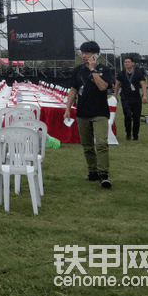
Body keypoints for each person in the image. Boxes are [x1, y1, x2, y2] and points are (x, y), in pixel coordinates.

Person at [64, 41, 115, 188]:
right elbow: (73, 90)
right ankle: (92, 171)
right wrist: (68, 108)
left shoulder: (104, 69)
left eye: (87, 53)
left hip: (99, 112)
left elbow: (103, 87)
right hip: (82, 111)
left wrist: (93, 71)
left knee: (101, 143)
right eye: (83, 52)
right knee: (87, 145)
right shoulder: (78, 70)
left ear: (95, 54)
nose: (84, 55)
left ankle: (103, 173)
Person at [114, 55, 148, 141]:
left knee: (137, 117)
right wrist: (115, 95)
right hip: (125, 97)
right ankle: (128, 134)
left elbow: (143, 84)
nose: (126, 64)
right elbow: (117, 84)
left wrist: (145, 95)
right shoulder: (121, 73)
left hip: (136, 98)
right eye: (125, 62)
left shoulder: (138, 73)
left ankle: (135, 135)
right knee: (127, 115)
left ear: (133, 63)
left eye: (128, 62)